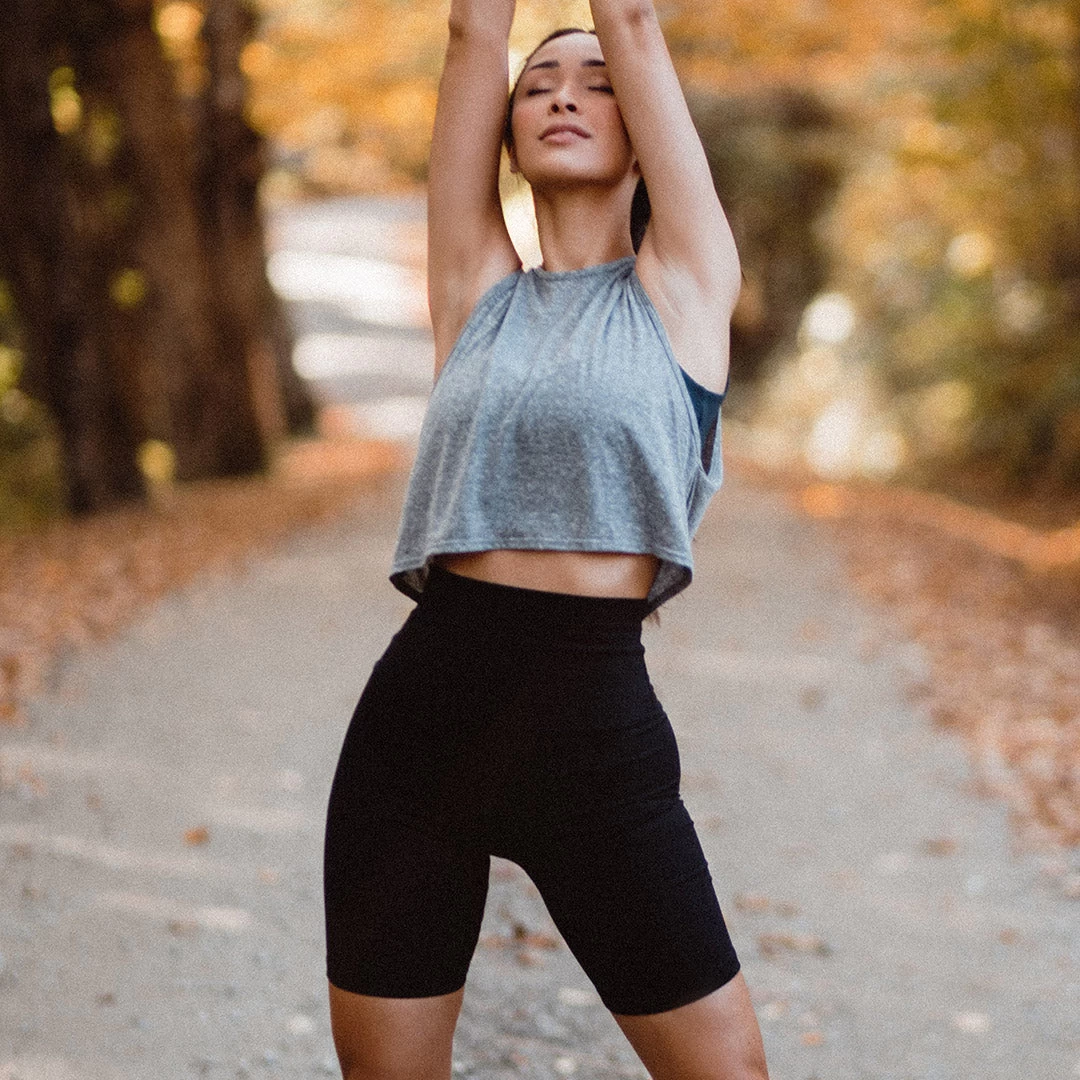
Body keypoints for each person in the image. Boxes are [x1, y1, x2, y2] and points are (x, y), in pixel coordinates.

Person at [322, 0, 771, 1076]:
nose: (564, 92)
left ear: (642, 133)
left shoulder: (686, 287)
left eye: (597, 80)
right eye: (539, 85)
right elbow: (474, 32)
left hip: (592, 742)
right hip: (415, 735)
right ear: (509, 136)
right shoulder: (473, 292)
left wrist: (624, 42)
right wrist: (493, 50)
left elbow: (634, 17)